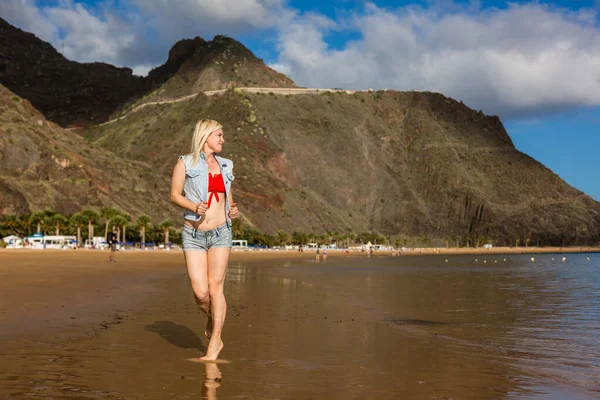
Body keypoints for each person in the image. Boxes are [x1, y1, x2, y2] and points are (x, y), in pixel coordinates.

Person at [170, 119, 239, 361]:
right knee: (201, 293)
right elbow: (174, 195)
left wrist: (232, 209)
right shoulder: (185, 162)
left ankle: (215, 343)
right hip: (194, 234)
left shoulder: (225, 165)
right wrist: (193, 206)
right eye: (219, 135)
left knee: (215, 287)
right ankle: (211, 316)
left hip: (221, 232)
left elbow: (227, 196)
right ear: (206, 135)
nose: (222, 139)